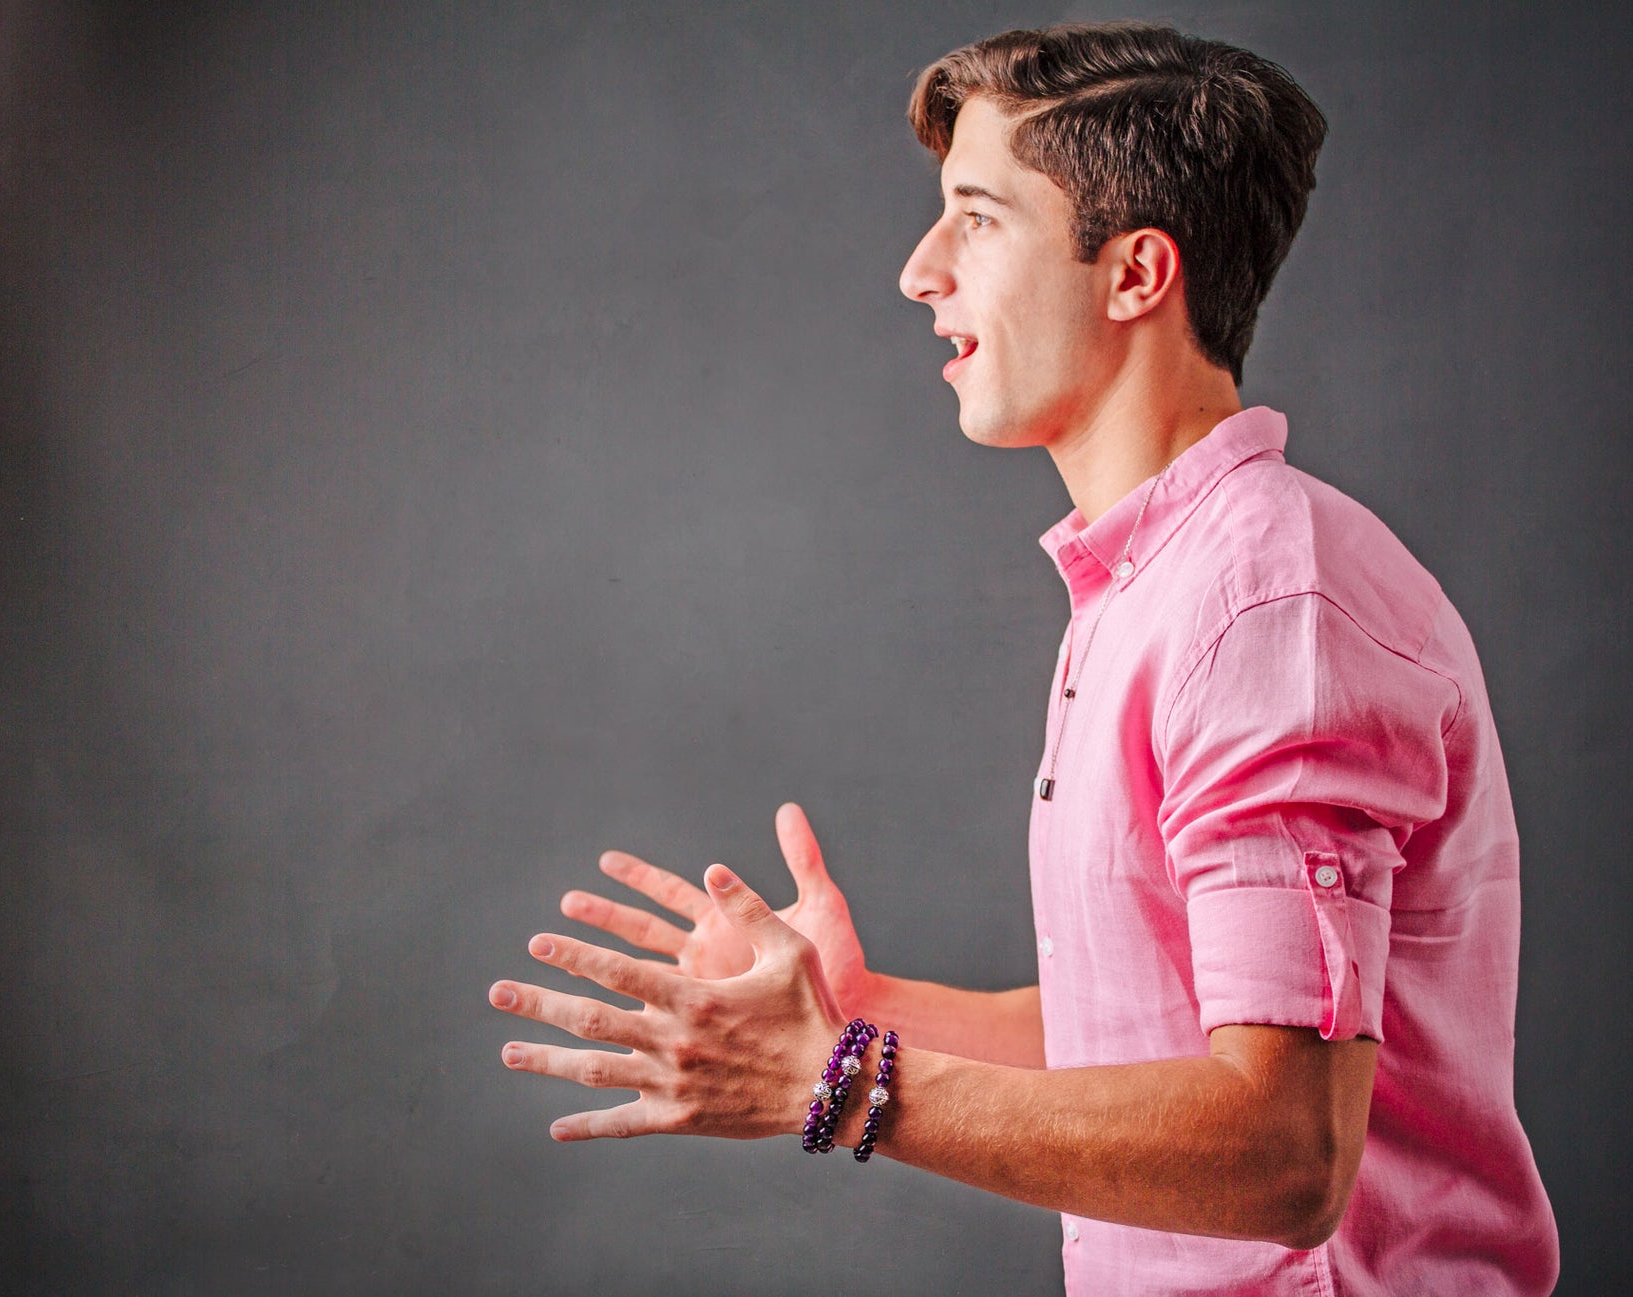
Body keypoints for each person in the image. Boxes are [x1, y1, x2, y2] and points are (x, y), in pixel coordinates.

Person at [486, 21, 1559, 1294]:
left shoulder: (1261, 609)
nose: (918, 271)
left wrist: (835, 1080)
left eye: (977, 218)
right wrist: (854, 1007)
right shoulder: (1164, 583)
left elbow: (1282, 1151)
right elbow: (1152, 1028)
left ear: (1134, 273)